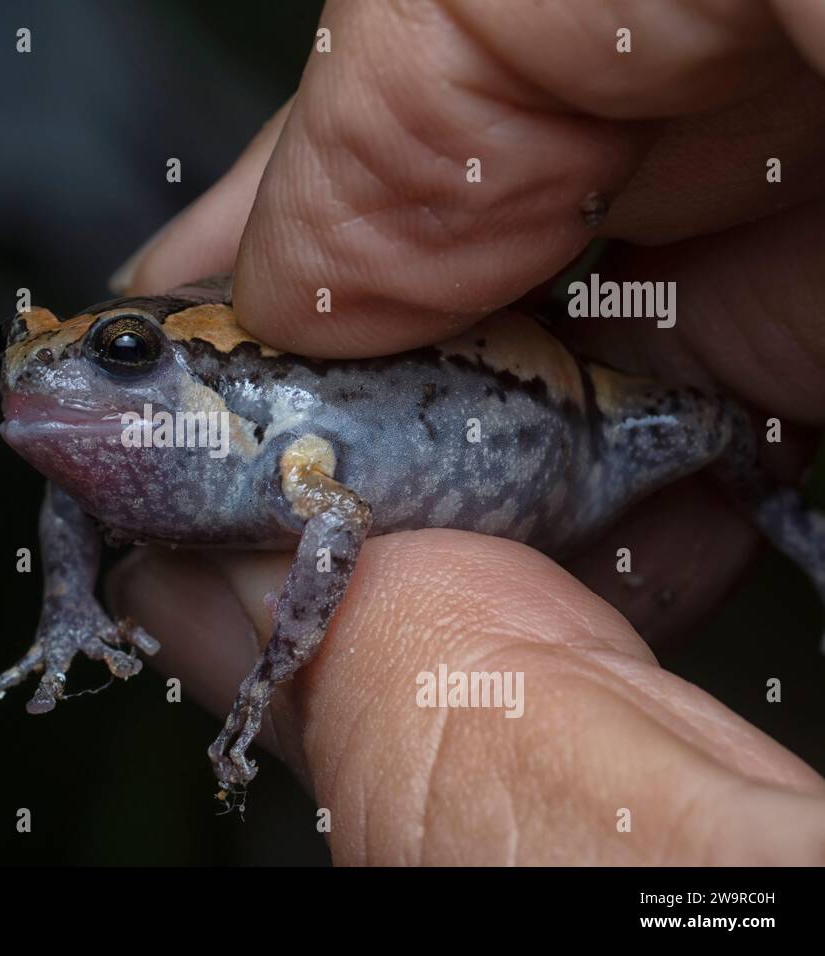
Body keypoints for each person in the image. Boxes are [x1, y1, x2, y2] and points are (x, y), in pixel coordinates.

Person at [106, 0, 825, 865]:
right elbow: (84, 496)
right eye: (15, 347)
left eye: (122, 352)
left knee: (706, 421)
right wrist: (68, 610)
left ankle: (775, 505)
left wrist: (276, 665)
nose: (35, 382)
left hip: (575, 421)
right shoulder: (115, 435)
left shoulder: (280, 434)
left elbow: (337, 518)